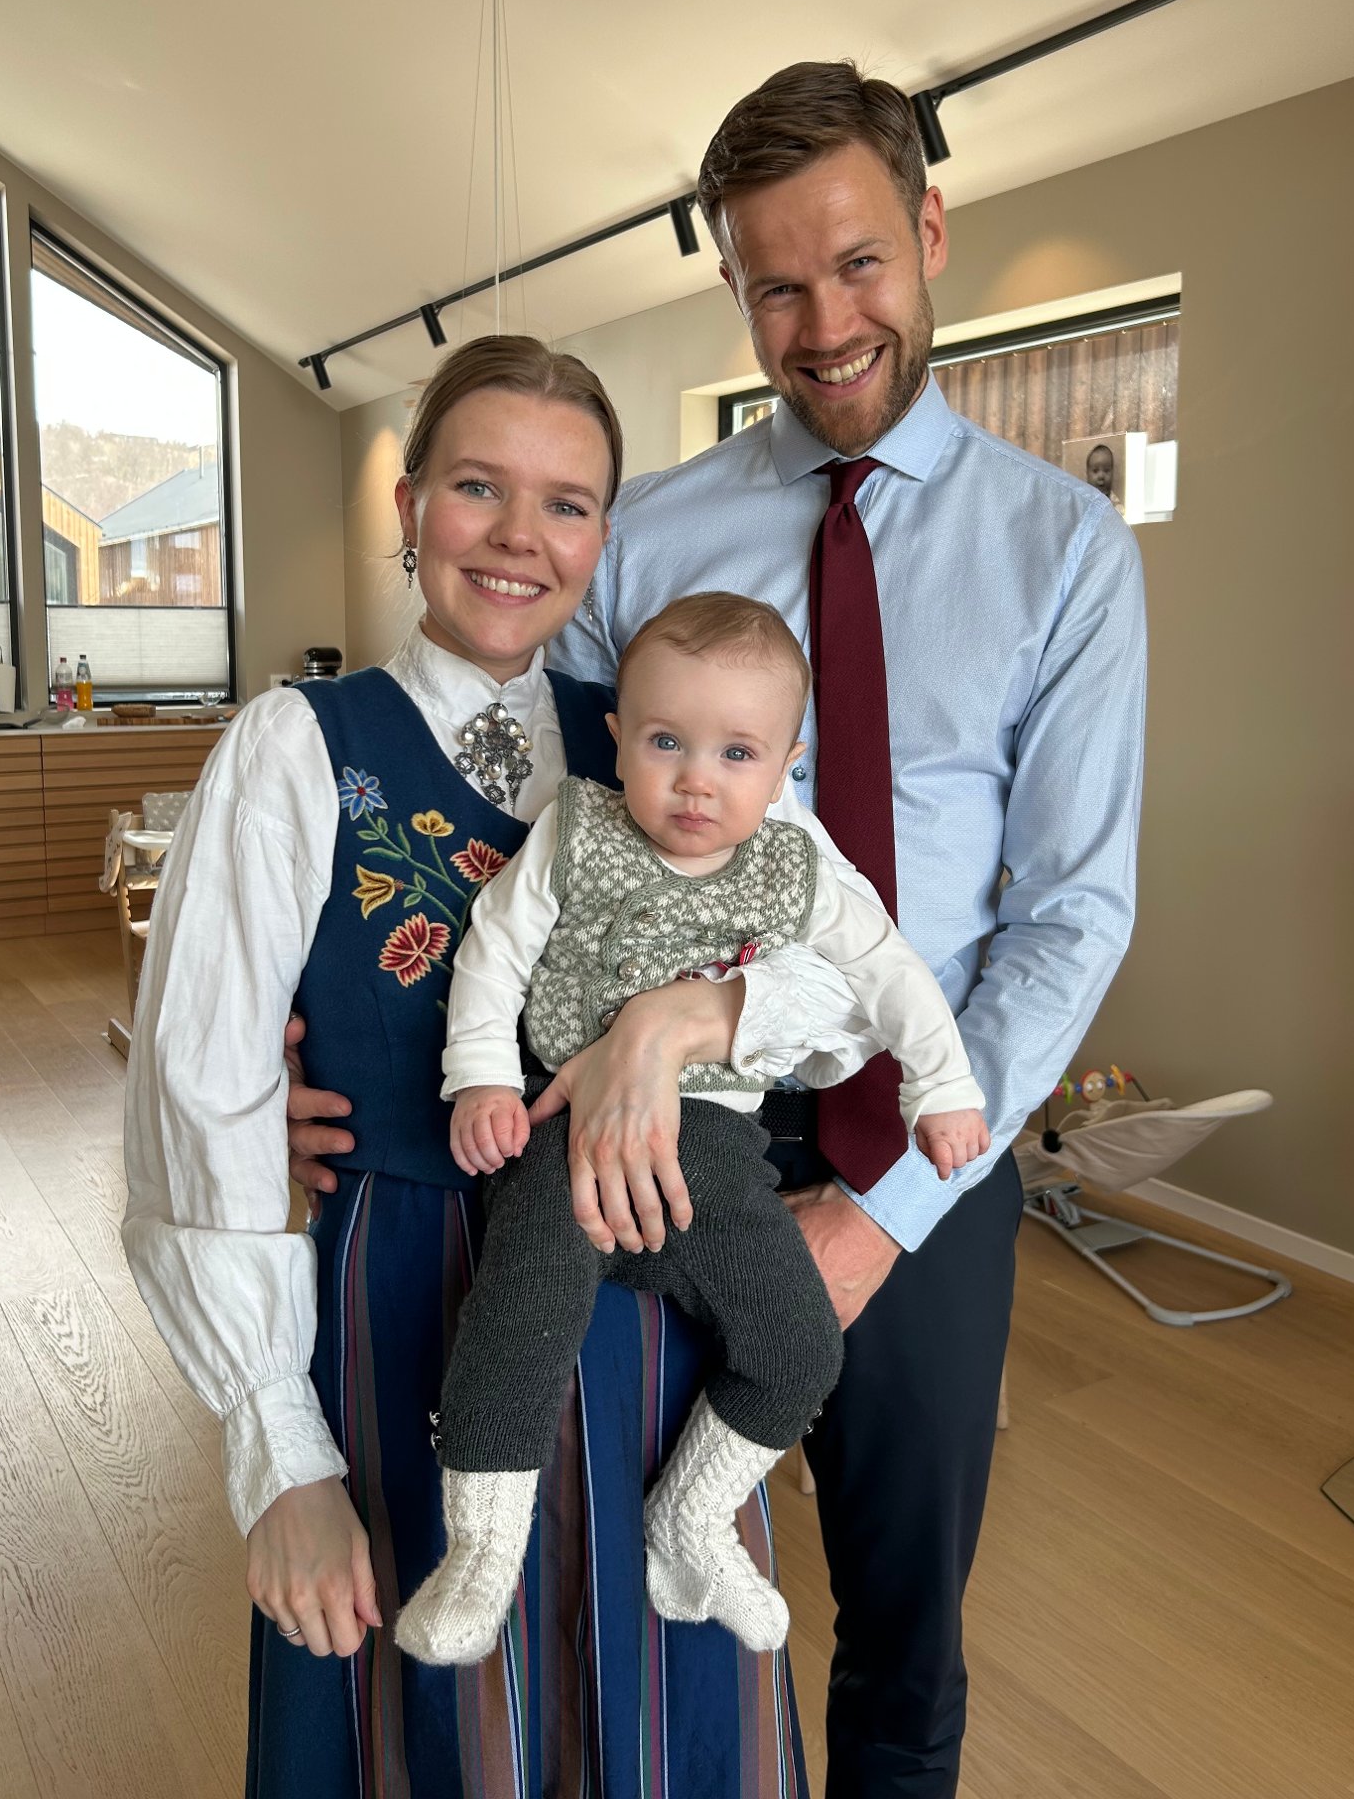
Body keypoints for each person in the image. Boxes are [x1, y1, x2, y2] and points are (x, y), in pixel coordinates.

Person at [292, 64, 1147, 1796]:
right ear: (734, 288)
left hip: (919, 1154)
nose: (823, 325)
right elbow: (512, 820)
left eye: (857, 264)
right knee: (631, 1596)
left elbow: (1070, 919)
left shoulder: (1065, 552)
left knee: (902, 1633)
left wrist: (887, 1216)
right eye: (774, 285)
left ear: (929, 230)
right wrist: (328, 1048)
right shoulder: (649, 538)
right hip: (636, 1140)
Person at [124, 334, 874, 1798]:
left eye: (567, 502)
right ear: (410, 507)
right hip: (402, 1295)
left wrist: (693, 1018)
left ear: (604, 535)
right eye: (479, 486)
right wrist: (279, 1455)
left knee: (654, 1695)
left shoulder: (668, 734)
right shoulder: (295, 748)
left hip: (648, 1278)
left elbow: (849, 974)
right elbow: (199, 1091)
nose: (521, 535)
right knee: (434, 1716)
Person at [396, 593, 988, 1668]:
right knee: (521, 1311)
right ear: (618, 737)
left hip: (715, 1143)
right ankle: (480, 1551)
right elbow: (493, 950)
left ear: (785, 767)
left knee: (801, 1344)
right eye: (665, 742)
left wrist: (940, 1088)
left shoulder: (794, 866)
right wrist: (480, 1078)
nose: (696, 780)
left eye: (737, 753)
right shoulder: (579, 830)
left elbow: (891, 972)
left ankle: (693, 1520)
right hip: (566, 1122)